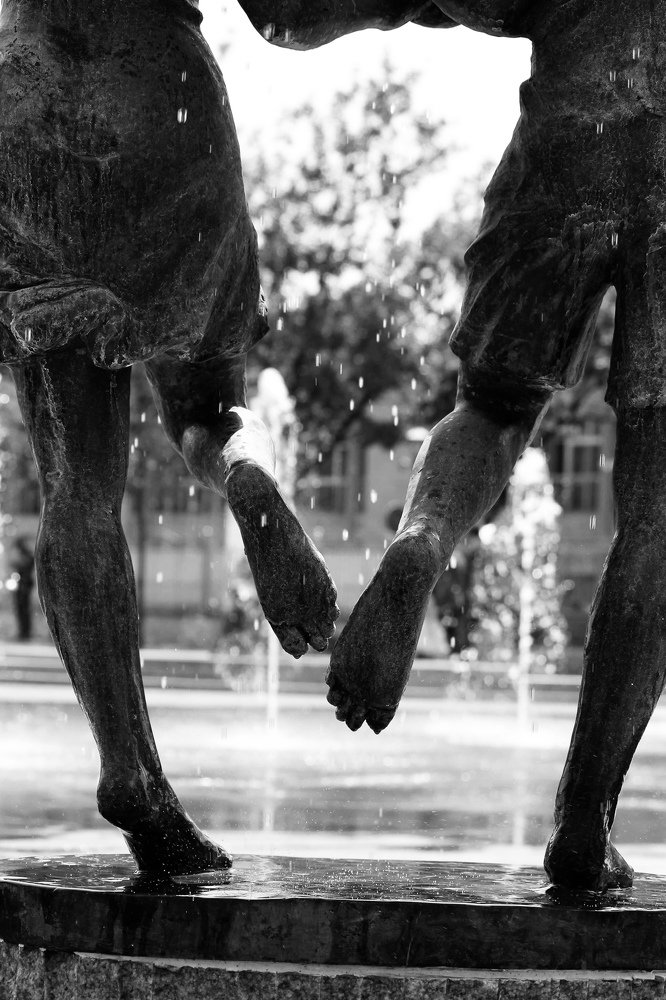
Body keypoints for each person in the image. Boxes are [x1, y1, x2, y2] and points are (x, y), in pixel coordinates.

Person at [240, 0, 666, 892]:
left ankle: (421, 544)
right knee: (659, 516)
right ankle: (583, 819)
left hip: (567, 134)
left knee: (495, 408)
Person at [0, 0, 340, 875]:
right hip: (163, 97)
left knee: (77, 483)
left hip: (22, 95)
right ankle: (251, 487)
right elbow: (288, 16)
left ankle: (131, 769)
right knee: (210, 409)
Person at [8, 536, 34, 641]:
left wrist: (17, 565)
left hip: (25, 585)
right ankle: (23, 631)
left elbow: (25, 565)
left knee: (24, 610)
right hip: (22, 585)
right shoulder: (25, 555)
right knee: (21, 609)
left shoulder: (27, 555)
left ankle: (25, 632)